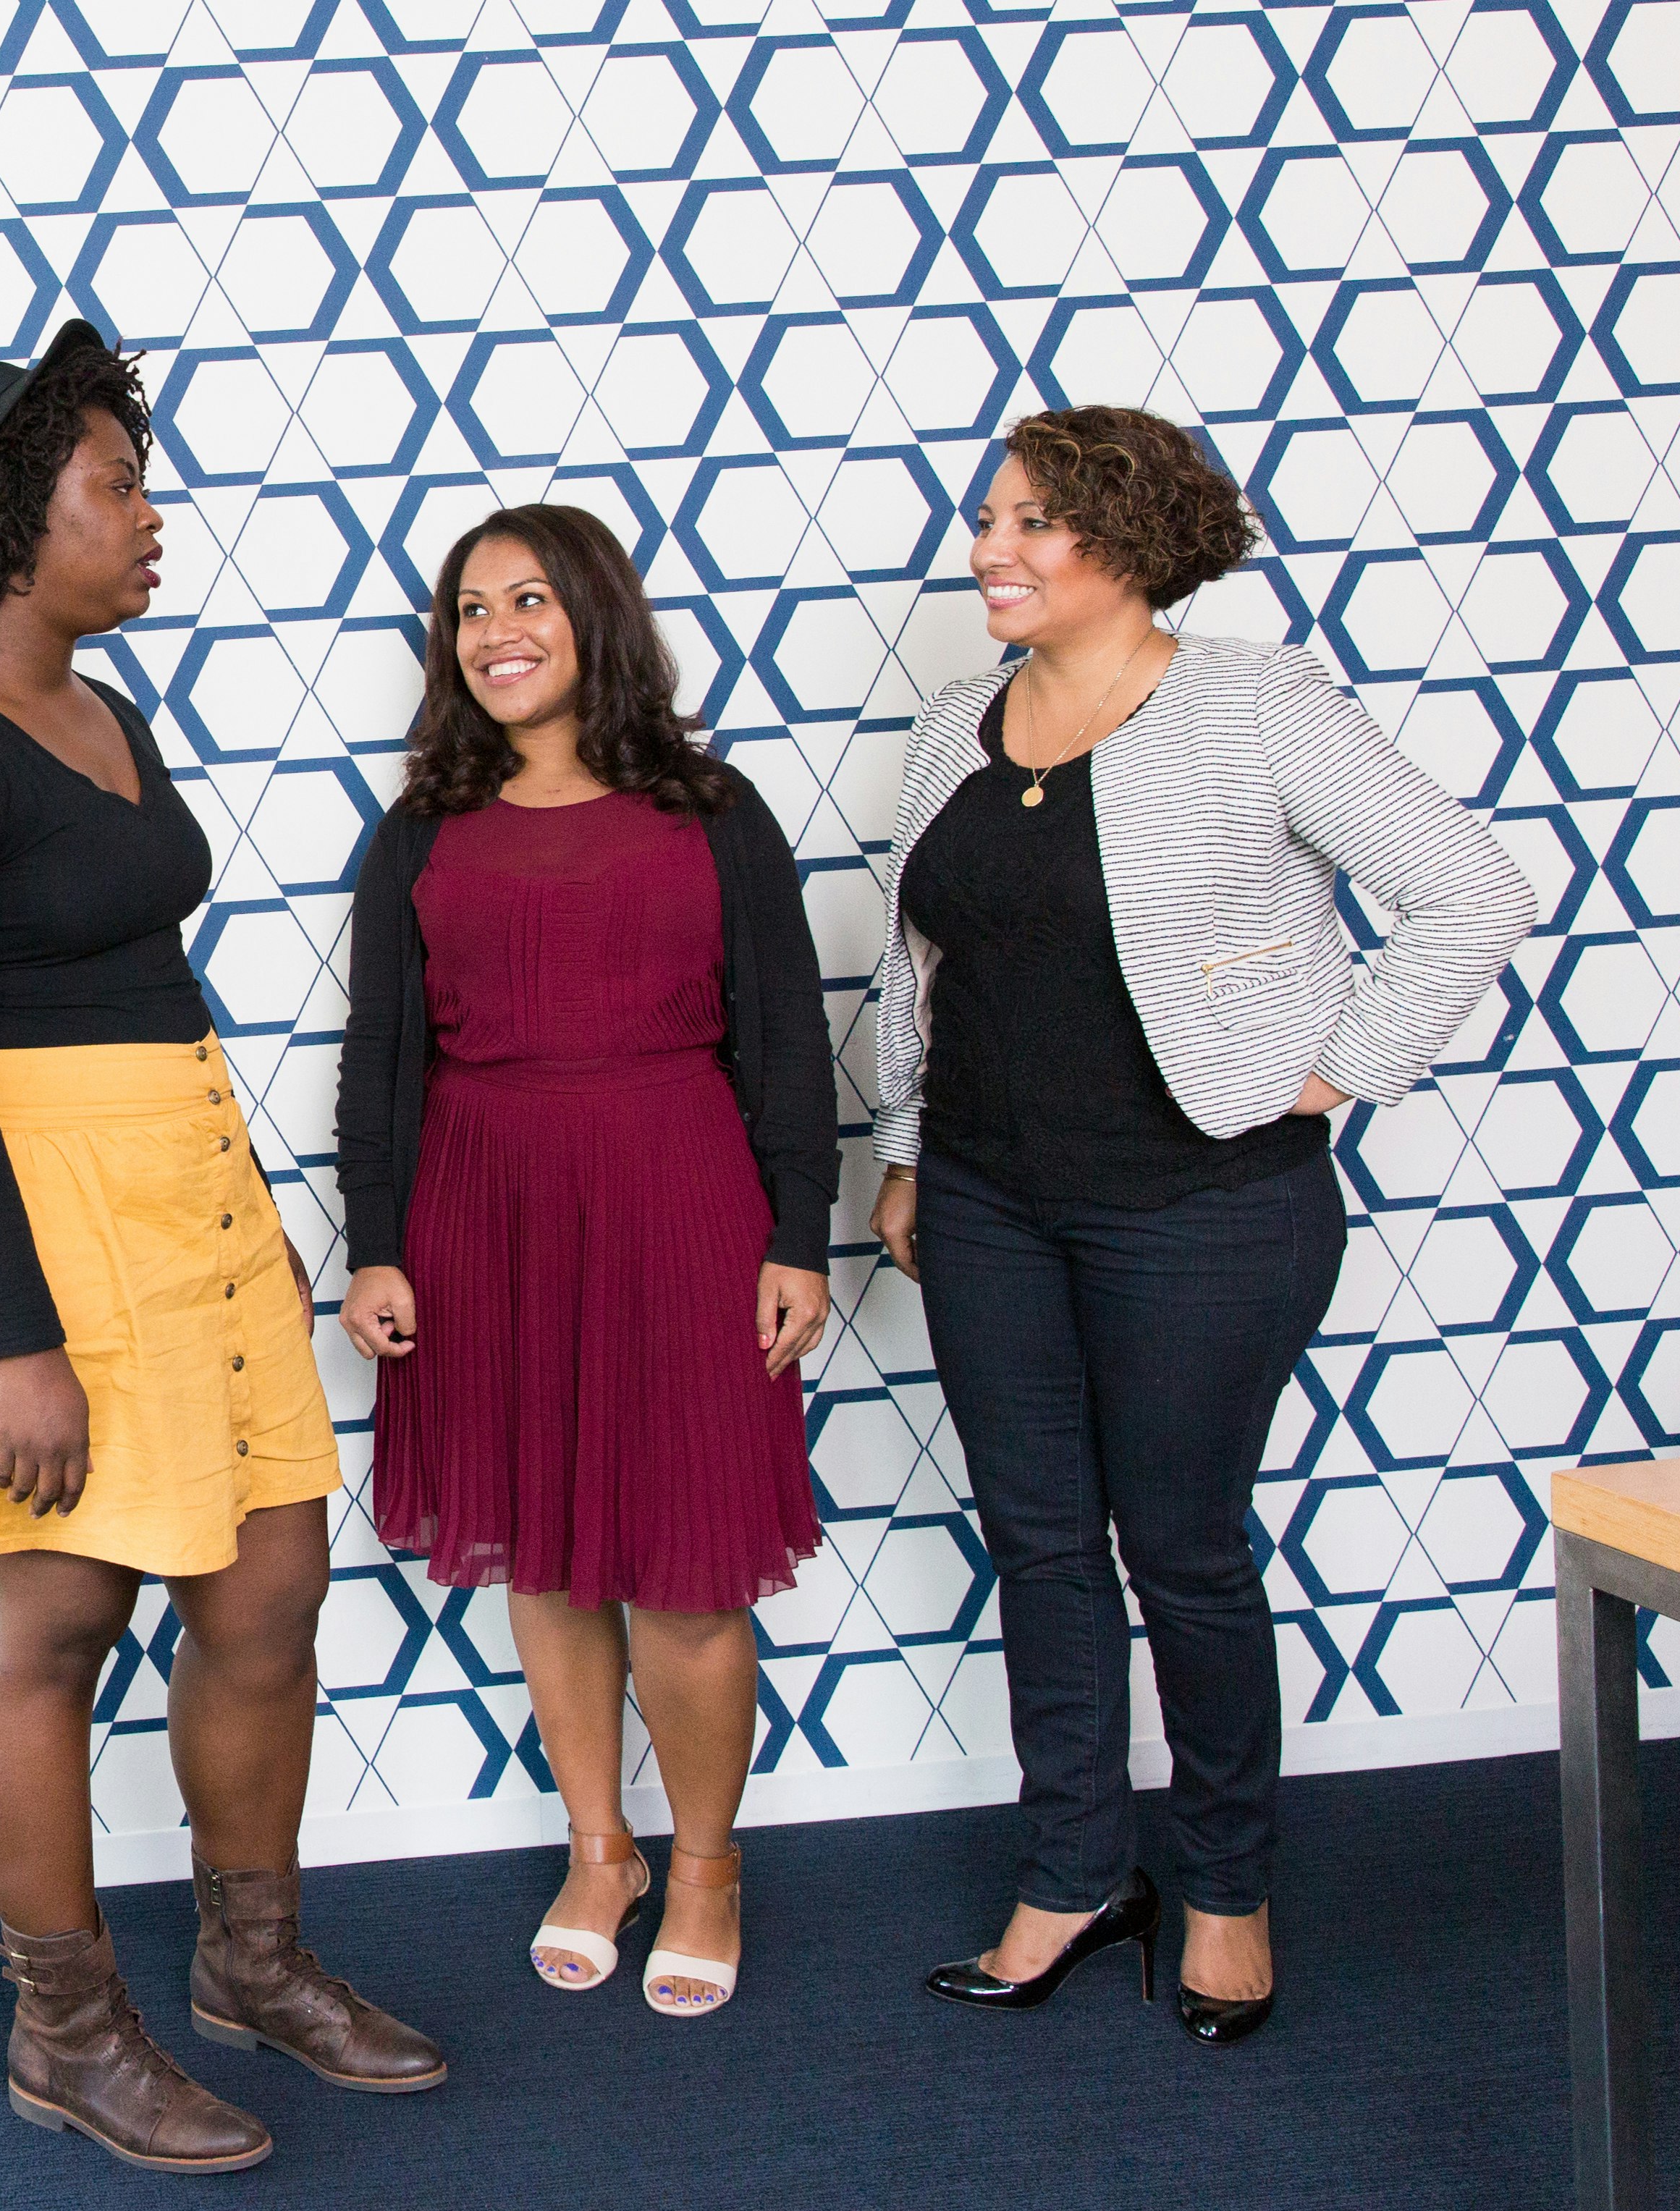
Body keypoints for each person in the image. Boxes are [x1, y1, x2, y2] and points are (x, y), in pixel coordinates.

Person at [0, 319, 444, 2176]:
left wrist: (245, 1211)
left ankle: (251, 1964)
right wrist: (16, 1338)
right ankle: (67, 2031)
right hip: (35, 1221)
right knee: (59, 1614)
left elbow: (149, 984)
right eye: (117, 485)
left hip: (183, 1194)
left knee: (266, 1588)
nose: (150, 515)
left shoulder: (100, 706)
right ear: (13, 521)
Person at [867, 406, 1534, 2045]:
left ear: (1134, 539)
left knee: (1179, 1550)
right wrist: (900, 1152)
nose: (992, 549)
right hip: (983, 1205)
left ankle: (1224, 1885)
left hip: (1202, 1211)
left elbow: (1474, 885)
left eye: (1035, 523)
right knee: (1036, 1544)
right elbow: (914, 968)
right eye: (988, 518)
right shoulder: (956, 727)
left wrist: (1338, 1070)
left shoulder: (1249, 705)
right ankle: (1074, 1874)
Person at [334, 504, 835, 2019]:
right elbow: (381, 1055)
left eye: (529, 599)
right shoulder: (421, 821)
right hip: (484, 1213)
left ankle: (703, 1864)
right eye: (469, 609)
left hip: (682, 1196)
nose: (494, 631)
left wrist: (798, 1233)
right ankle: (599, 1844)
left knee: (684, 1562)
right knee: (545, 1550)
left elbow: (788, 1031)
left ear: (596, 616)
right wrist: (377, 1246)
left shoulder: (711, 805)